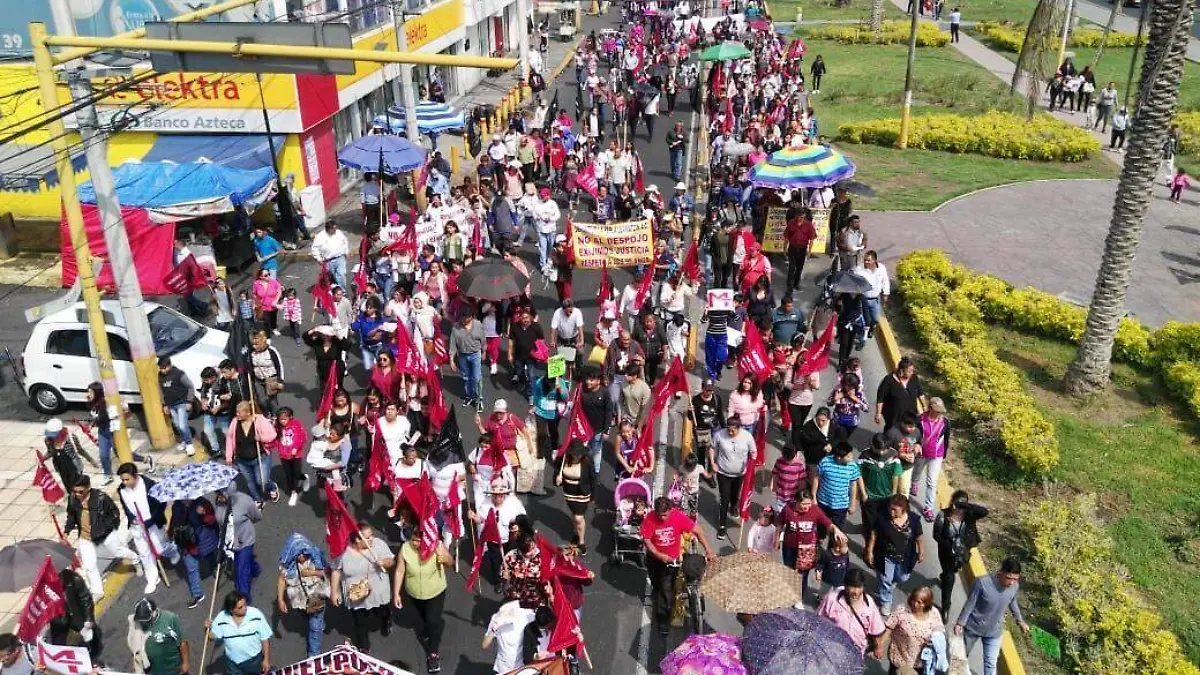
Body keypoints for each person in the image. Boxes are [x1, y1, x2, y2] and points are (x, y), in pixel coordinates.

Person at [642, 497, 715, 636]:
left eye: (665, 514)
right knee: (657, 584)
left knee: (666, 588)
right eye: (660, 515)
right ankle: (658, 594)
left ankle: (663, 619)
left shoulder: (678, 517)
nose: (663, 518)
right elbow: (647, 540)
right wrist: (659, 555)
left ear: (670, 510)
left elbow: (698, 531)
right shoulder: (650, 518)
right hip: (654, 559)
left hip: (671, 562)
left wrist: (708, 550)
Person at [64, 476, 141, 599]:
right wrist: (66, 531)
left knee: (119, 552)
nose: (77, 494)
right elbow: (71, 516)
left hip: (105, 534)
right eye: (75, 491)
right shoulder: (73, 499)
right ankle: (98, 591)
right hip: (85, 537)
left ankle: (136, 560)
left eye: (80, 492)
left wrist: (106, 527)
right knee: (89, 566)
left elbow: (114, 513)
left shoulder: (101, 498)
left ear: (88, 488)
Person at [954, 558, 1031, 675]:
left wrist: (1020, 621)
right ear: (1000, 572)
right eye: (1009, 578)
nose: (1011, 582)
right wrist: (960, 623)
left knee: (991, 663)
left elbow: (1012, 601)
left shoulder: (1014, 587)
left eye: (1015, 579)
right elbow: (970, 603)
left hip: (994, 631)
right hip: (973, 628)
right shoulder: (982, 583)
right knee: (962, 656)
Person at [392, 535, 453, 674]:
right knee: (422, 619)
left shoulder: (437, 545)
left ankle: (433, 653)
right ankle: (427, 629)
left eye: (418, 540)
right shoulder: (405, 548)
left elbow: (450, 562)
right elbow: (400, 570)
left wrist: (446, 559)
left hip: (435, 592)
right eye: (413, 539)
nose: (415, 543)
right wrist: (396, 593)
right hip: (414, 593)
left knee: (433, 621)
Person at [117, 463, 180, 595]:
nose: (124, 482)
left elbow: (162, 504)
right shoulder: (121, 490)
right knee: (144, 553)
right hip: (137, 527)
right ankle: (152, 577)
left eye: (127, 479)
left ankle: (173, 552)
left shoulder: (149, 485)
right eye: (122, 479)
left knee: (161, 547)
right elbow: (126, 508)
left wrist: (151, 520)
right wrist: (132, 518)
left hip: (153, 524)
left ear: (135, 476)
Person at [331, 523, 395, 650]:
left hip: (377, 592)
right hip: (355, 594)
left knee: (382, 611)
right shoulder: (342, 552)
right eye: (368, 537)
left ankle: (386, 619)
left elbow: (391, 561)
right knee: (359, 621)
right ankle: (364, 647)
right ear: (357, 540)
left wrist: (383, 562)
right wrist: (334, 592)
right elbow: (336, 570)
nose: (372, 539)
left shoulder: (378, 544)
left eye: (372, 535)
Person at [933, 490, 989, 620]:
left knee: (952, 571)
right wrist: (949, 545)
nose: (959, 507)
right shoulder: (943, 515)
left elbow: (984, 512)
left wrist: (967, 507)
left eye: (964, 503)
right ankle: (946, 607)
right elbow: (936, 535)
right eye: (958, 503)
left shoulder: (969, 515)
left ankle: (945, 576)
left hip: (962, 554)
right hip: (946, 553)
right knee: (949, 577)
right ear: (952, 502)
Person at [866, 495, 924, 615]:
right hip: (886, 556)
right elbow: (874, 535)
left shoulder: (914, 520)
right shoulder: (882, 519)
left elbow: (919, 537)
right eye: (890, 509)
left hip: (905, 557)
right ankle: (886, 602)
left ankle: (892, 582)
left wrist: (921, 552)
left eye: (895, 510)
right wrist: (869, 551)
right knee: (886, 579)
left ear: (903, 509)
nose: (891, 512)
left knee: (903, 577)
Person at [470, 478, 528, 596]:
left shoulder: (513, 502)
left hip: (511, 538)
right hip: (493, 539)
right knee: (496, 562)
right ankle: (499, 581)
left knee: (513, 559)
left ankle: (514, 579)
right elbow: (480, 519)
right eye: (495, 495)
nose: (498, 498)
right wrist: (473, 516)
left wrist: (517, 525)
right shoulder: (486, 503)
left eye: (501, 495)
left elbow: (523, 517)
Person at [276, 534, 329, 657]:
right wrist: (280, 599)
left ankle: (313, 655)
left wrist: (312, 572)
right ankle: (319, 625)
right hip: (299, 601)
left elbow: (326, 573)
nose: (301, 557)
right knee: (307, 618)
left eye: (303, 554)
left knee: (314, 627)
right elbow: (281, 580)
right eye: (298, 554)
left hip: (317, 597)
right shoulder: (288, 564)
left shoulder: (316, 558)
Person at [817, 569, 885, 658]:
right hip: (832, 648)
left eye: (859, 587)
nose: (856, 592)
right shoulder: (832, 599)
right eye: (853, 587)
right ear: (845, 586)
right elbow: (819, 621)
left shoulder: (869, 604)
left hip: (856, 652)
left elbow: (877, 630)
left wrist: (878, 648)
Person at [710, 416, 757, 540]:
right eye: (728, 430)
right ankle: (722, 526)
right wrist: (712, 463)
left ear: (739, 428)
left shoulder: (747, 437)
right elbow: (712, 448)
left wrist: (752, 461)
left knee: (735, 495)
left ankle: (733, 506)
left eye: (733, 431)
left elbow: (753, 452)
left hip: (740, 474)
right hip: (723, 473)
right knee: (724, 499)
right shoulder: (719, 435)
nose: (730, 433)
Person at [170, 495, 220, 610]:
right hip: (187, 544)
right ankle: (198, 594)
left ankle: (215, 570)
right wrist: (171, 533)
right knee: (191, 569)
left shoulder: (203, 503)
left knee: (209, 557)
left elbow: (212, 520)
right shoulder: (176, 506)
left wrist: (203, 515)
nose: (184, 499)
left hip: (203, 541)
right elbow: (174, 522)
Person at [224, 401, 279, 505]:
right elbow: (230, 438)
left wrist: (261, 438)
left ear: (248, 413)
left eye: (239, 413)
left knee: (262, 481)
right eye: (237, 412)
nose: (237, 415)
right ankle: (258, 500)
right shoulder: (235, 422)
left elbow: (273, 434)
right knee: (250, 482)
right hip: (242, 460)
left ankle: (272, 487)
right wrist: (228, 457)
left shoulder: (259, 420)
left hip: (260, 458)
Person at [881, 587, 945, 673]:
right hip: (900, 659)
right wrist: (879, 646)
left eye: (919, 602)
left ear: (926, 604)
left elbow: (939, 633)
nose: (915, 604)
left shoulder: (934, 613)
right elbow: (889, 628)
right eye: (914, 600)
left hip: (920, 662)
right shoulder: (902, 611)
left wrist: (932, 641)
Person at [207, 591, 271, 675]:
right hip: (232, 663)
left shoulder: (256, 615)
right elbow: (211, 637)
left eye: (245, 604)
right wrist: (207, 628)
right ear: (231, 610)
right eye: (240, 607)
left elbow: (265, 638)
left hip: (254, 661)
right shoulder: (221, 618)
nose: (245, 608)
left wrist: (266, 659)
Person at [215, 483, 262, 597]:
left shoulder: (245, 501)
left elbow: (257, 516)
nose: (218, 496)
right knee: (244, 563)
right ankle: (255, 569)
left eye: (221, 493)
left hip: (244, 540)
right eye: (217, 493)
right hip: (228, 541)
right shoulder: (219, 502)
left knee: (241, 572)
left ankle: (244, 599)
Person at [911, 397, 952, 520]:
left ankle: (928, 508)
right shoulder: (920, 419)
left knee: (932, 482)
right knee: (916, 473)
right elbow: (914, 435)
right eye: (937, 410)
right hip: (922, 453)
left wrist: (943, 454)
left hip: (936, 455)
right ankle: (914, 482)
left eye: (941, 411)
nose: (940, 413)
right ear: (930, 408)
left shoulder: (945, 422)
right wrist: (916, 445)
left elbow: (946, 439)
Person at [48, 568, 101, 659]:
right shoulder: (45, 587)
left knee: (90, 638)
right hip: (60, 620)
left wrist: (89, 619)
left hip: (78, 616)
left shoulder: (75, 579)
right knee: (58, 647)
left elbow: (86, 600)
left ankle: (92, 653)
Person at [812, 442, 865, 530]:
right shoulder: (825, 462)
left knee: (838, 530)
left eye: (851, 455)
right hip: (823, 501)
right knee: (821, 526)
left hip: (841, 505)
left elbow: (853, 485)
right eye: (848, 456)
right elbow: (816, 478)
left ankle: (833, 543)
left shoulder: (853, 466)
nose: (852, 458)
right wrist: (813, 497)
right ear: (839, 457)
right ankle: (820, 539)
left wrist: (852, 504)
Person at [131, 598, 189, 675]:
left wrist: (185, 663)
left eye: (146, 620)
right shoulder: (139, 623)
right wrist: (136, 663)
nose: (143, 623)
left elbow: (182, 643)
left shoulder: (170, 619)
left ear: (154, 613)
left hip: (172, 670)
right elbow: (137, 645)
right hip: (152, 671)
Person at [482, 600, 536, 674]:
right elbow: (484, 645)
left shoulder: (527, 615)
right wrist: (494, 629)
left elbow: (542, 618)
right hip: (504, 667)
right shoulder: (496, 619)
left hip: (521, 666)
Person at [158, 356, 197, 456]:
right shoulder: (160, 376)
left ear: (169, 366)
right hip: (171, 405)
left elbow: (190, 386)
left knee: (183, 425)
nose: (162, 370)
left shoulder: (179, 374)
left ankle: (189, 444)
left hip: (182, 403)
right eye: (160, 368)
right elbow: (161, 391)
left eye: (164, 368)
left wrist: (189, 401)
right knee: (177, 425)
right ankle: (185, 440)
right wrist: (164, 405)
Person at [875, 356, 926, 431]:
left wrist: (924, 407)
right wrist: (878, 413)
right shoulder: (889, 380)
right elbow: (880, 399)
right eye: (909, 371)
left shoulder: (914, 378)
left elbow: (920, 393)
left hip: (910, 415)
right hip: (894, 416)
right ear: (901, 371)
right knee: (892, 433)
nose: (911, 373)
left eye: (912, 370)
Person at [450, 311, 486, 411]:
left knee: (477, 377)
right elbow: (453, 344)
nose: (464, 321)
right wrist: (451, 360)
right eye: (462, 318)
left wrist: (484, 351)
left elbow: (483, 339)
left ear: (471, 317)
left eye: (467, 318)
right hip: (462, 355)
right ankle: (469, 396)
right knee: (466, 377)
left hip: (475, 354)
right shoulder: (455, 327)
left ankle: (479, 400)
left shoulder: (478, 324)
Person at [43, 417, 92, 492]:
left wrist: (91, 460)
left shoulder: (71, 438)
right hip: (60, 466)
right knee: (68, 486)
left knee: (78, 486)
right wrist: (42, 458)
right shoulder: (48, 440)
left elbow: (80, 450)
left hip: (74, 466)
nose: (52, 437)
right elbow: (50, 452)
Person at [311, 221, 350, 289]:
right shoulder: (320, 237)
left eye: (336, 228)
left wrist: (346, 251)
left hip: (339, 258)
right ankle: (334, 292)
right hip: (328, 261)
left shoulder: (338, 233)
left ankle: (342, 292)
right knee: (332, 277)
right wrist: (318, 258)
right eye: (333, 229)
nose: (335, 231)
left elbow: (345, 241)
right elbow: (314, 248)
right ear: (328, 229)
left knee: (341, 275)